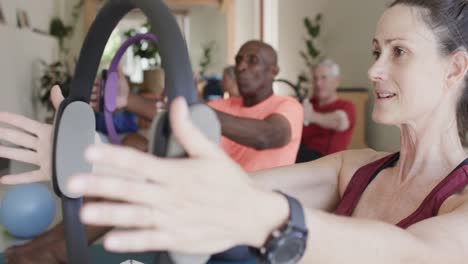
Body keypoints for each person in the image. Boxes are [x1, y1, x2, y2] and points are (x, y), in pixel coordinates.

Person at [1, 0, 467, 262]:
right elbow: (215, 192)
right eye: (375, 51)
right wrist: (90, 161)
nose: (374, 70)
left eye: (398, 52)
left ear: (455, 68)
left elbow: (409, 253)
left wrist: (267, 218)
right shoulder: (357, 167)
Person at [0, 40, 303, 263]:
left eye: (253, 60)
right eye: (239, 59)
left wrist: (190, 107)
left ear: (274, 70)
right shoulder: (224, 105)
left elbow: (268, 136)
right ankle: (48, 244)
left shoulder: (286, 107)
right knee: (136, 155)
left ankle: (56, 252)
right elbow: (174, 116)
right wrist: (127, 100)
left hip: (248, 218)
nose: (241, 66)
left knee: (142, 173)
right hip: (205, 199)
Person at [296, 58, 356, 163]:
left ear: (337, 82)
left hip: (327, 163)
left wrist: (311, 116)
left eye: (324, 78)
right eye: (315, 79)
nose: (318, 83)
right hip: (302, 161)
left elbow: (340, 121)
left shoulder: (346, 106)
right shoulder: (308, 104)